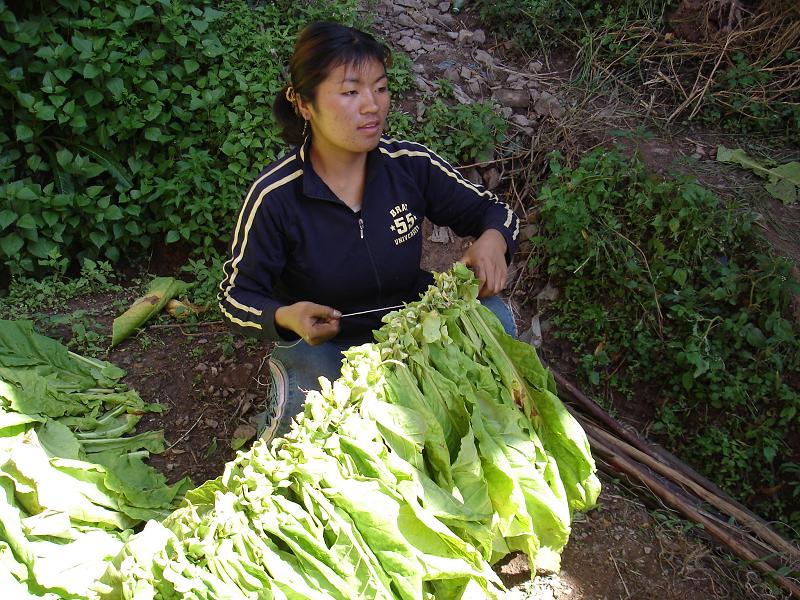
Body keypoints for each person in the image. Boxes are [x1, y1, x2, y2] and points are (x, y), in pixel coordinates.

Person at [219, 22, 520, 441]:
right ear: (305, 104)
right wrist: (286, 316)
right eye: (350, 92)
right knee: (306, 408)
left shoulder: (409, 166)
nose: (372, 106)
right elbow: (236, 297)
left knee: (495, 320)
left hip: (417, 327)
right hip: (328, 350)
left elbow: (494, 212)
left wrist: (493, 240)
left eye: (380, 89)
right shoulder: (276, 197)